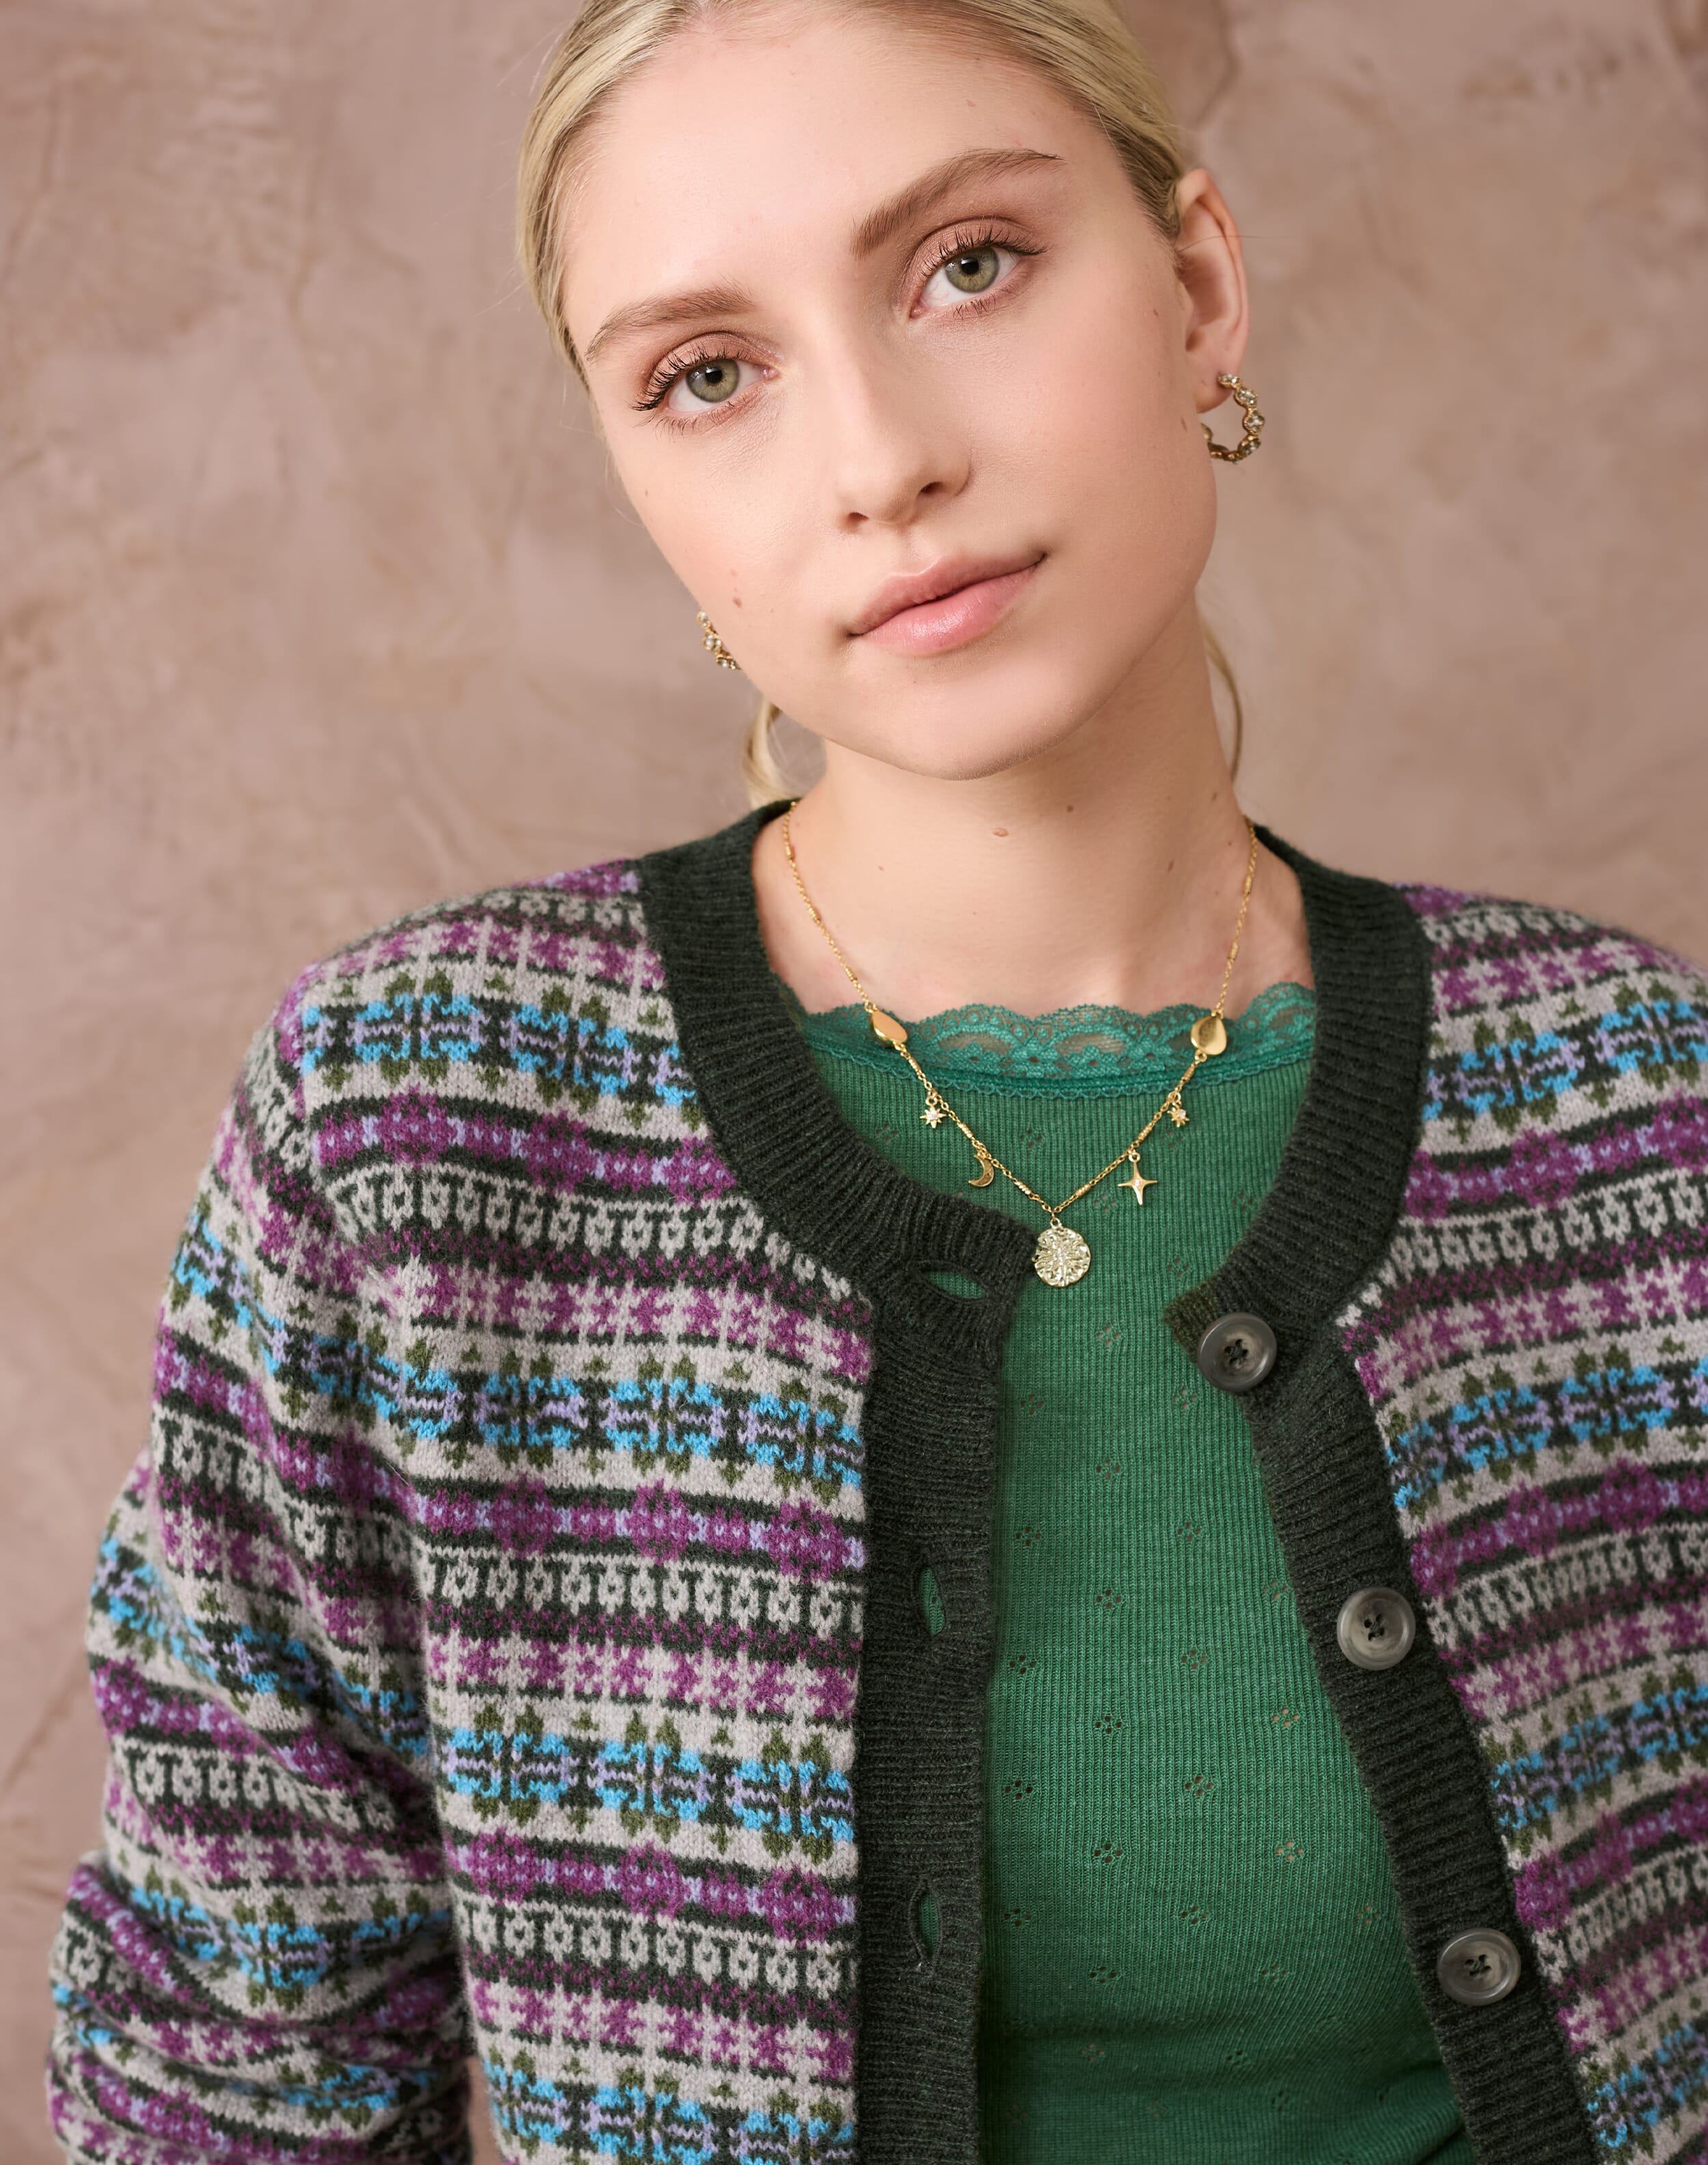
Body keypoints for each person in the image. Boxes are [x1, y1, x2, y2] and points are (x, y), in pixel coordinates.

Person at [44, 3, 1708, 2161]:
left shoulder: (1624, 1106)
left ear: (1197, 287)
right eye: (704, 373)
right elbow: (223, 2070)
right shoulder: (417, 1132)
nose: (877, 458)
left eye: (967, 266)